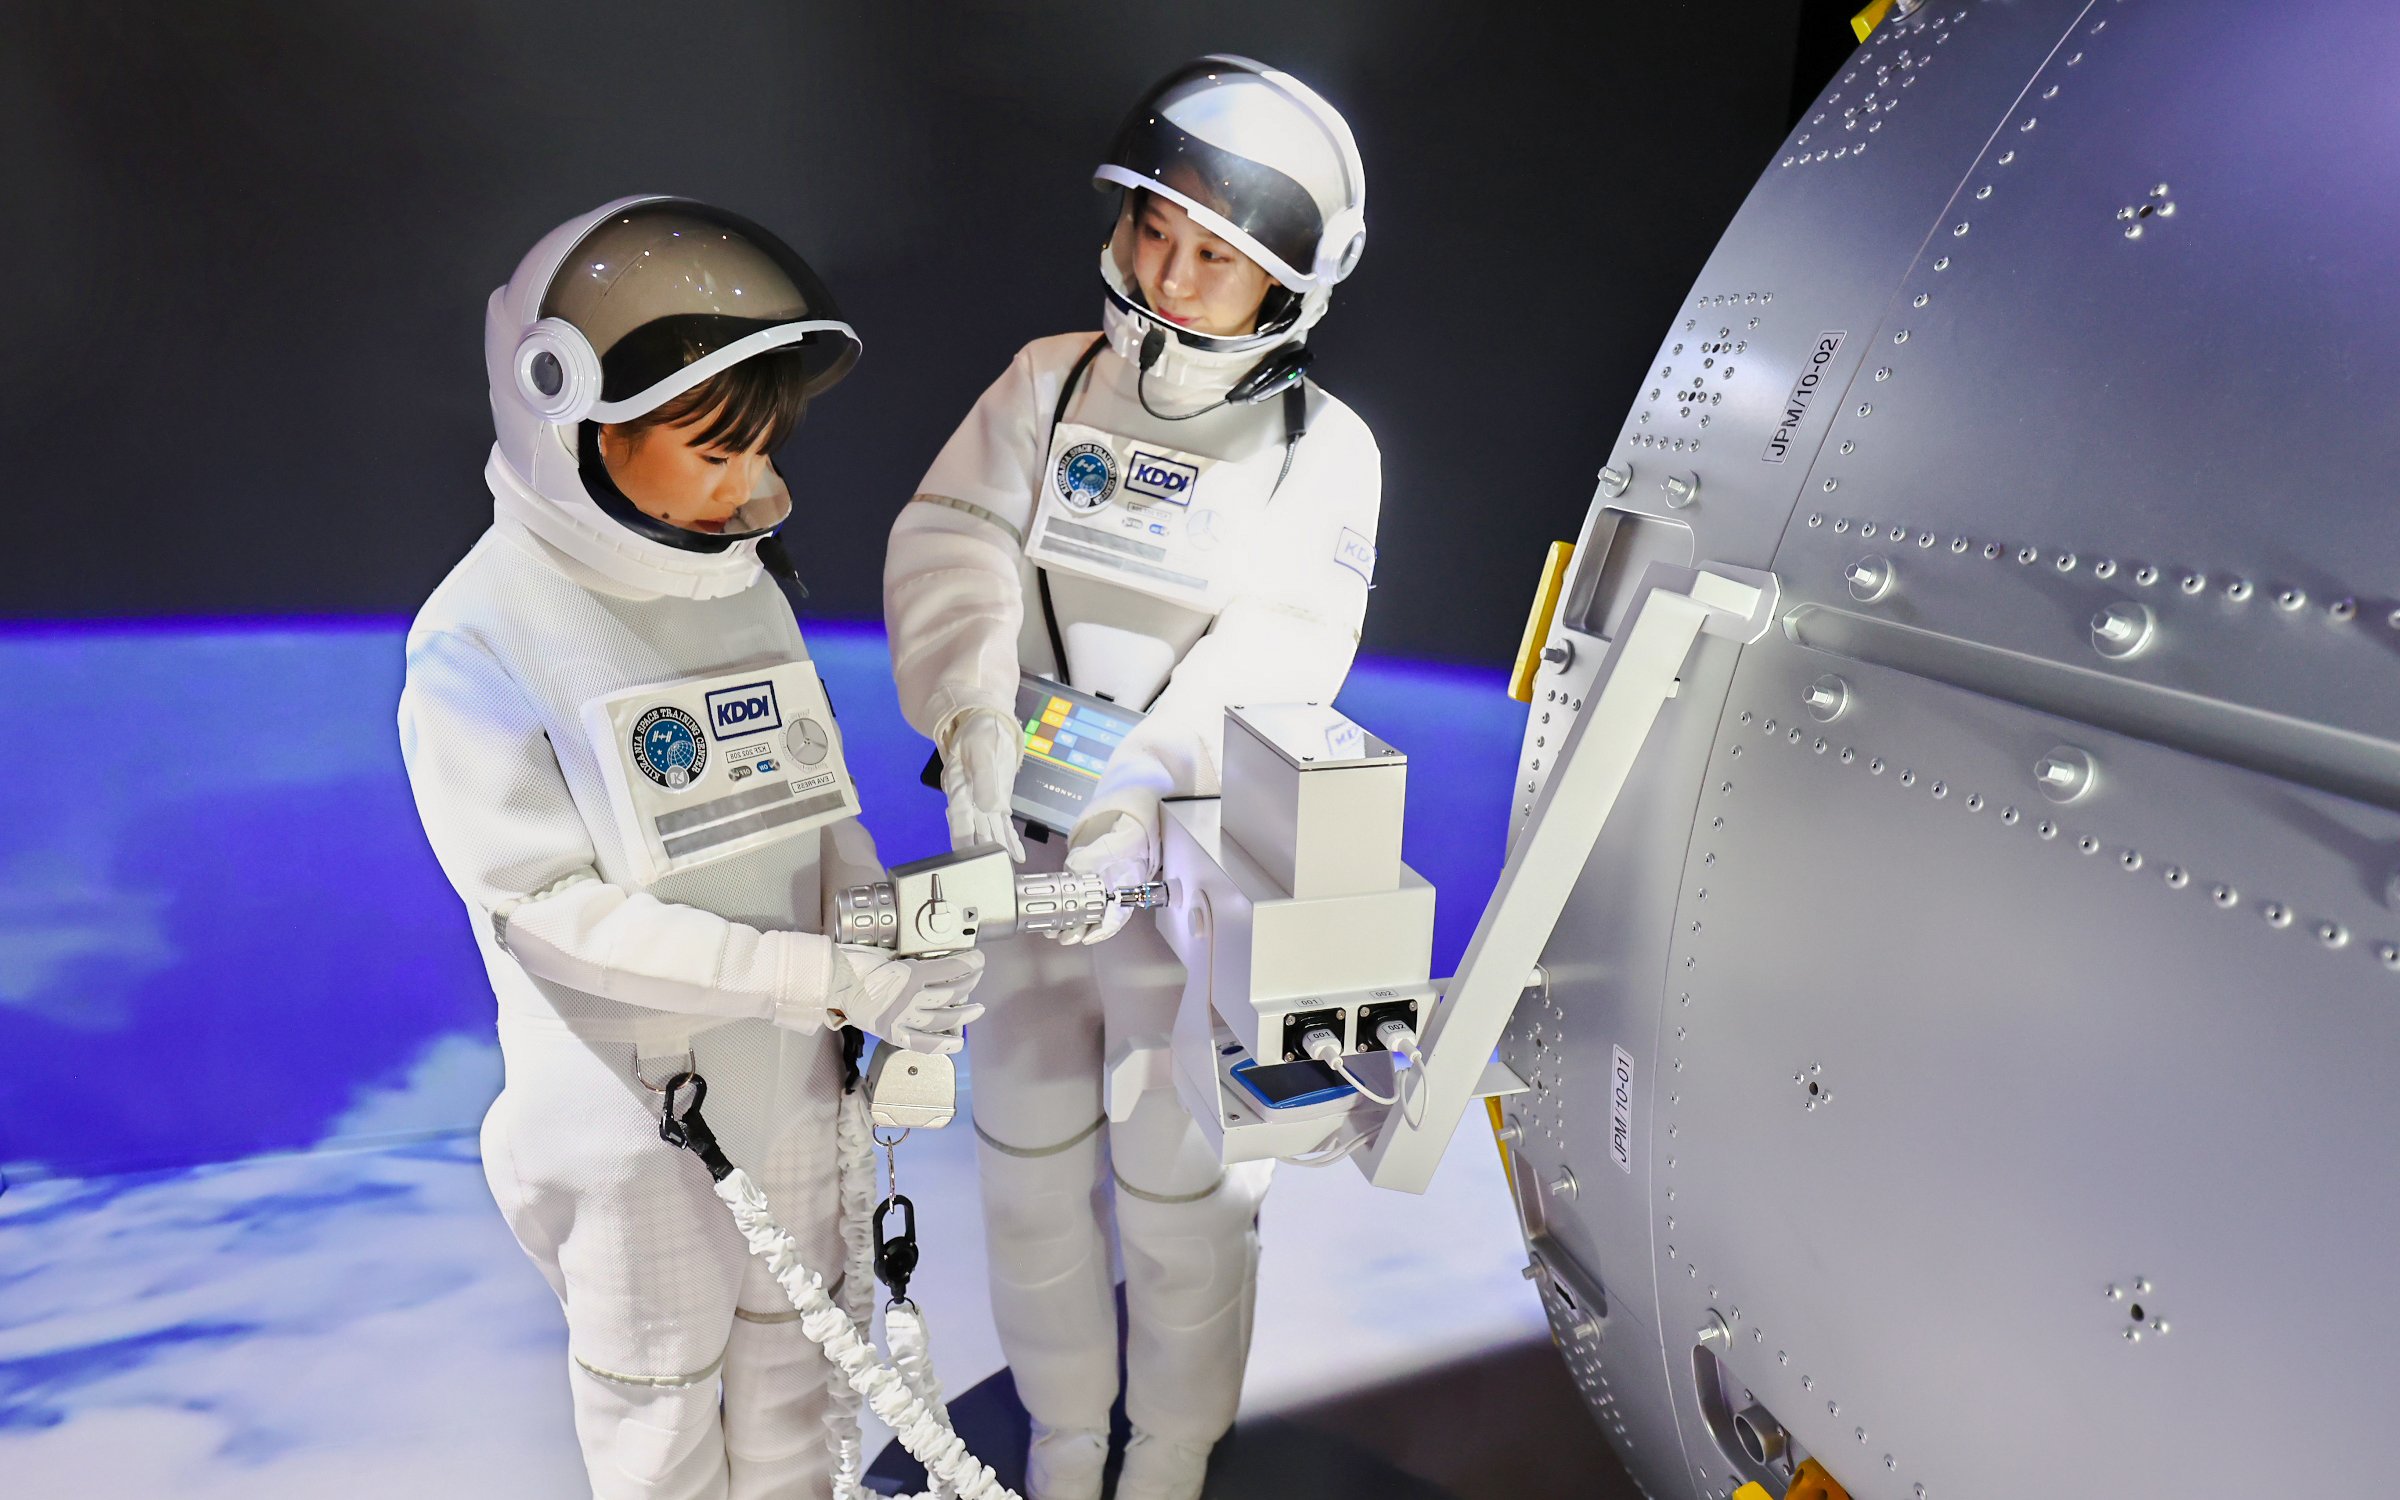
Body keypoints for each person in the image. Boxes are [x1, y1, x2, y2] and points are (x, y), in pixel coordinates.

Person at [400, 196, 987, 1500]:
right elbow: (555, 914)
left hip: (794, 1093)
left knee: (797, 1403)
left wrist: (890, 934)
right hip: (635, 1127)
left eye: (762, 448)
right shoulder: (484, 635)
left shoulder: (739, 584)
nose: (749, 485)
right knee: (661, 1430)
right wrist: (824, 978)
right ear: (575, 418)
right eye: (715, 451)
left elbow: (813, 805)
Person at [883, 57, 1381, 1500]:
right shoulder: (1049, 384)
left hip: (1181, 882)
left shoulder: (1317, 451)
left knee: (1186, 1195)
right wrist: (972, 719)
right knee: (1027, 1169)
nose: (1167, 274)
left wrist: (1144, 795)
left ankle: (1165, 1456)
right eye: (1155, 231)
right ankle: (1058, 1438)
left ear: (1285, 288)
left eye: (1214, 258)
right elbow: (953, 541)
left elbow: (1285, 649)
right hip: (1025, 852)